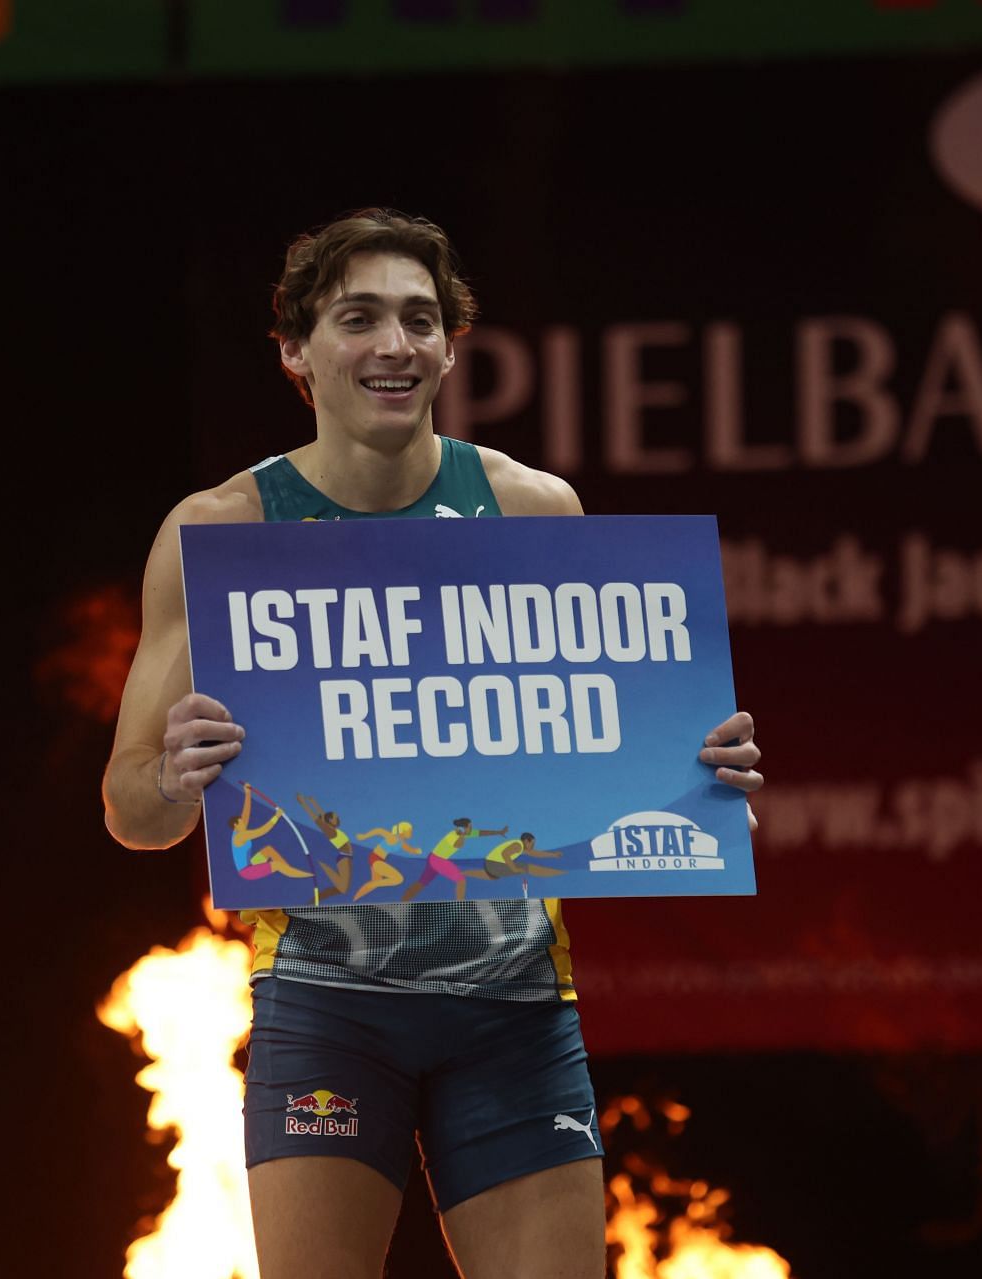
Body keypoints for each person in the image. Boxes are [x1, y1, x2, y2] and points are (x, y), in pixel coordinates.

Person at [101, 208, 763, 1279]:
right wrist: (173, 775)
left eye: (420, 319)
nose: (393, 345)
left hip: (512, 1009)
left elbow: (607, 748)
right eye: (358, 318)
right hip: (326, 1006)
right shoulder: (220, 533)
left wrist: (701, 773)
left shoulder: (533, 513)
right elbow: (131, 811)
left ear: (452, 347)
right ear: (295, 352)